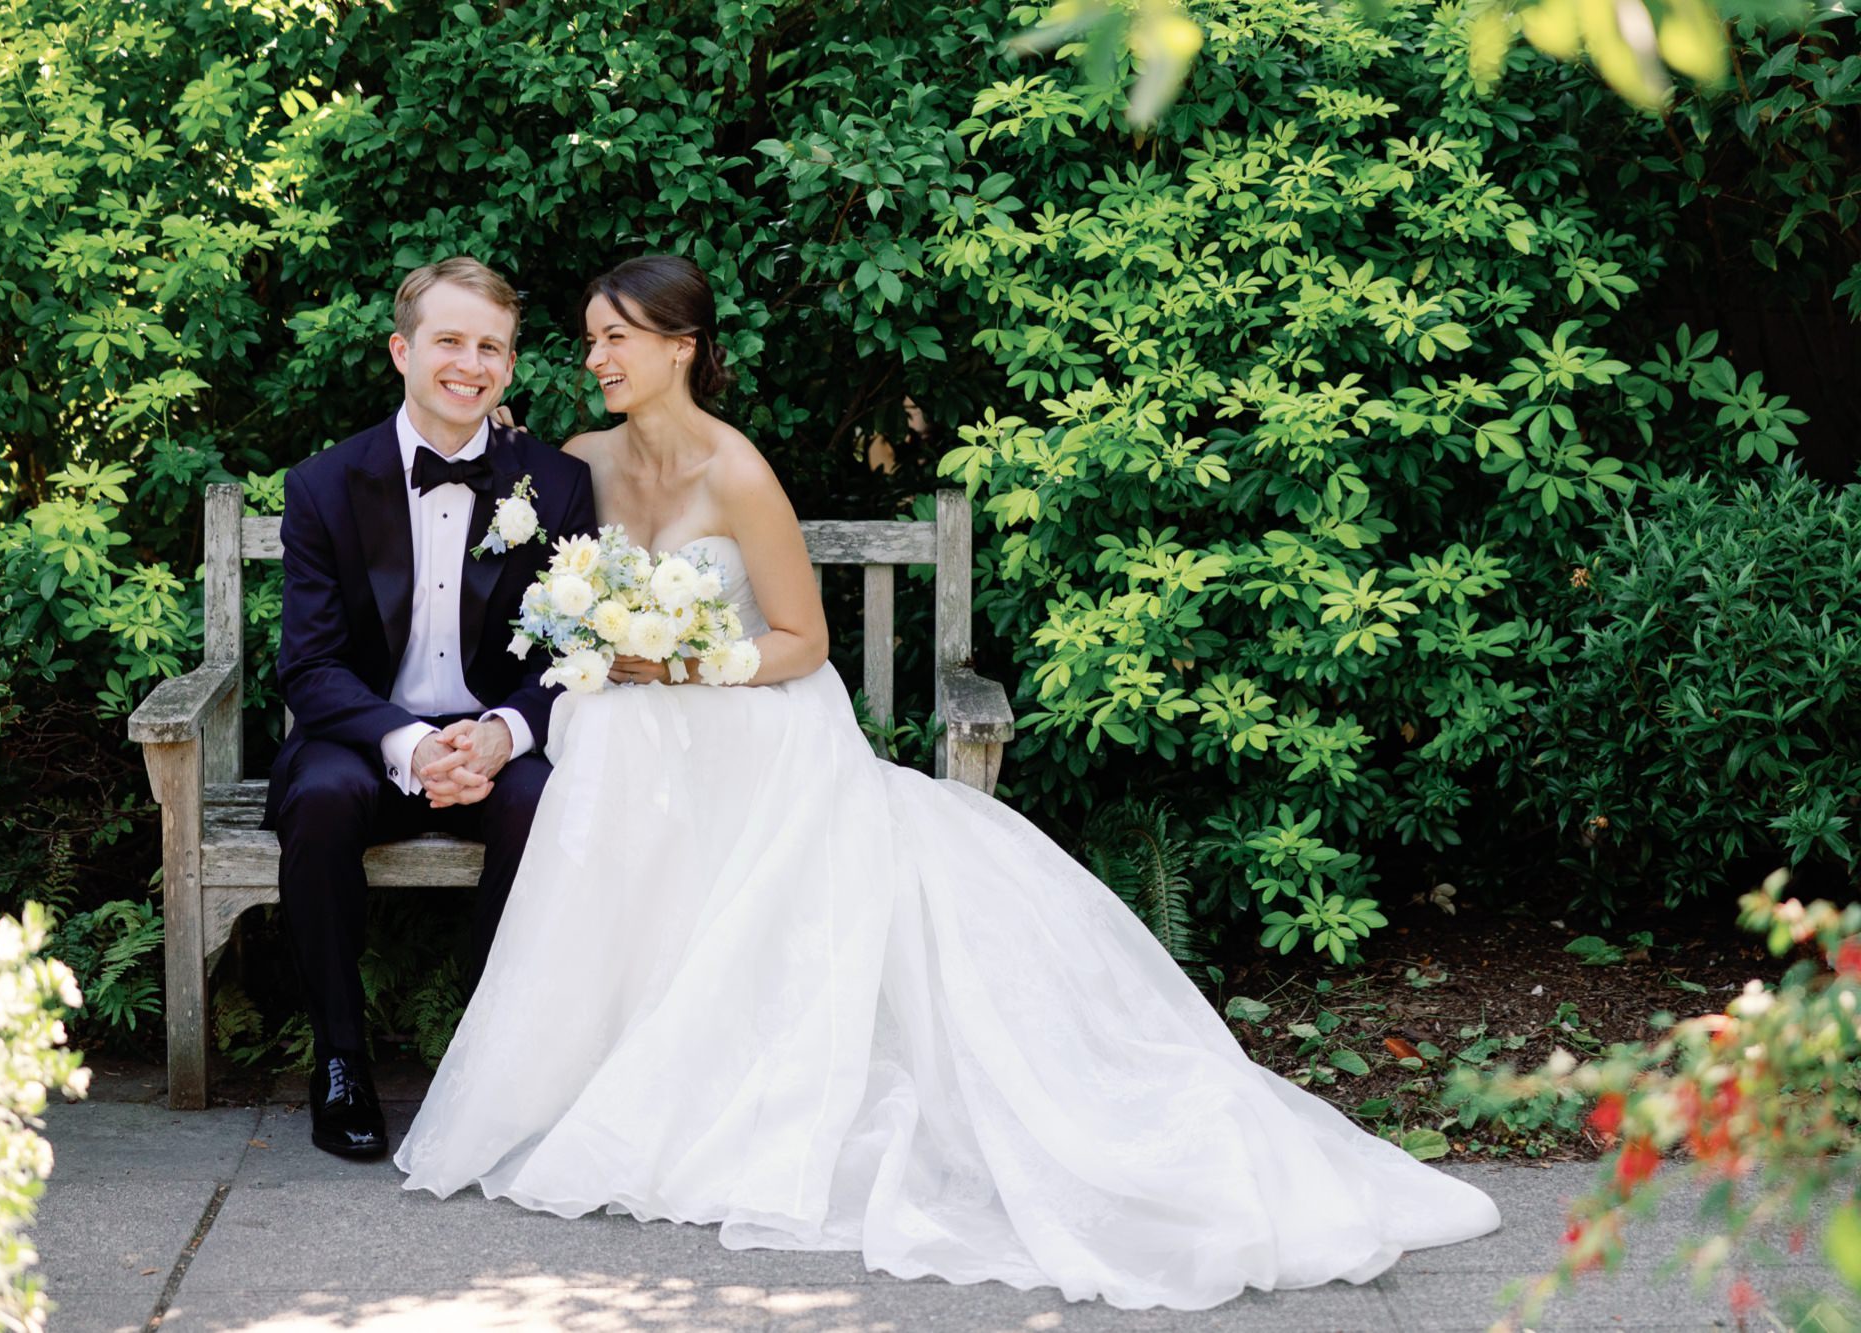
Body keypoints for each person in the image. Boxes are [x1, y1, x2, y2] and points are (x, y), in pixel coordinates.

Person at [393, 256, 1501, 1310]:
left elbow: (800, 641)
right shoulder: (577, 457)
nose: (594, 357)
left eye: (615, 338)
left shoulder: (738, 473)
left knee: (629, 736)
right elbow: (507, 502)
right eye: (590, 339)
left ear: (680, 348)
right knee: (613, 736)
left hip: (747, 713)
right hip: (640, 718)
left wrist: (679, 661)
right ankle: (604, 1063)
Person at [266, 258, 595, 1159]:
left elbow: (576, 653)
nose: (470, 362)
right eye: (449, 340)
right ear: (402, 350)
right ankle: (340, 1060)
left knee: (542, 800)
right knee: (322, 797)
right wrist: (411, 745)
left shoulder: (555, 486)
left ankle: (490, 1059)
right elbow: (312, 667)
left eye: (491, 346)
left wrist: (500, 734)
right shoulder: (326, 485)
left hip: (495, 741)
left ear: (511, 367)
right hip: (366, 736)